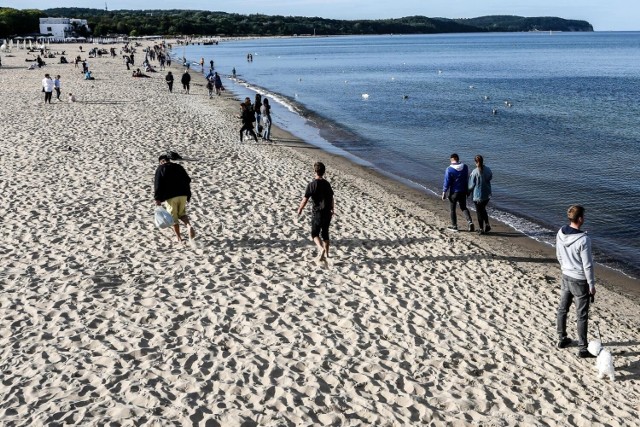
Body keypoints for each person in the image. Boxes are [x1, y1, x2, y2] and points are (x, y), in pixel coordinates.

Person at [556, 205, 597, 358]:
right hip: (579, 279)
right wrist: (591, 284)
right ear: (580, 219)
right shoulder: (584, 239)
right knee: (582, 315)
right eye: (583, 216)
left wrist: (564, 268)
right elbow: (588, 265)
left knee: (563, 308)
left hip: (566, 275)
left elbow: (559, 254)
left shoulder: (560, 232)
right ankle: (582, 348)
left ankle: (561, 338)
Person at [297, 162, 335, 262]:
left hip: (317, 212)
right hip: (327, 212)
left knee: (315, 234)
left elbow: (305, 199)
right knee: (325, 233)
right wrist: (332, 209)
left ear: (315, 171)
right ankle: (327, 254)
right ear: (323, 172)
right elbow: (331, 198)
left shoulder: (312, 185)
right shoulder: (327, 184)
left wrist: (300, 208)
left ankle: (320, 248)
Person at [153, 154, 196, 243]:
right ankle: (188, 225)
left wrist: (157, 198)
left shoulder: (160, 168)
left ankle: (179, 238)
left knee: (173, 218)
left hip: (171, 197)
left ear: (161, 161)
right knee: (182, 214)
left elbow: (158, 184)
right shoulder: (178, 167)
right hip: (183, 195)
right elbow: (188, 179)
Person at [442, 153, 474, 232]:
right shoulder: (465, 167)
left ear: (452, 159)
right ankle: (470, 222)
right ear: (458, 159)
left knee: (453, 209)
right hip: (463, 191)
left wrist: (444, 192)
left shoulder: (449, 169)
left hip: (454, 192)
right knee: (463, 207)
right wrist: (468, 190)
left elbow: (447, 181)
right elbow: (468, 178)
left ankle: (454, 226)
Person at [468, 154, 493, 234]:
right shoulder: (488, 170)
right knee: (483, 209)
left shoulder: (474, 172)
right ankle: (487, 224)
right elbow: (490, 177)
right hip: (487, 194)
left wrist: (467, 192)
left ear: (476, 162)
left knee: (479, 211)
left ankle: (481, 228)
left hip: (478, 196)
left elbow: (471, 185)